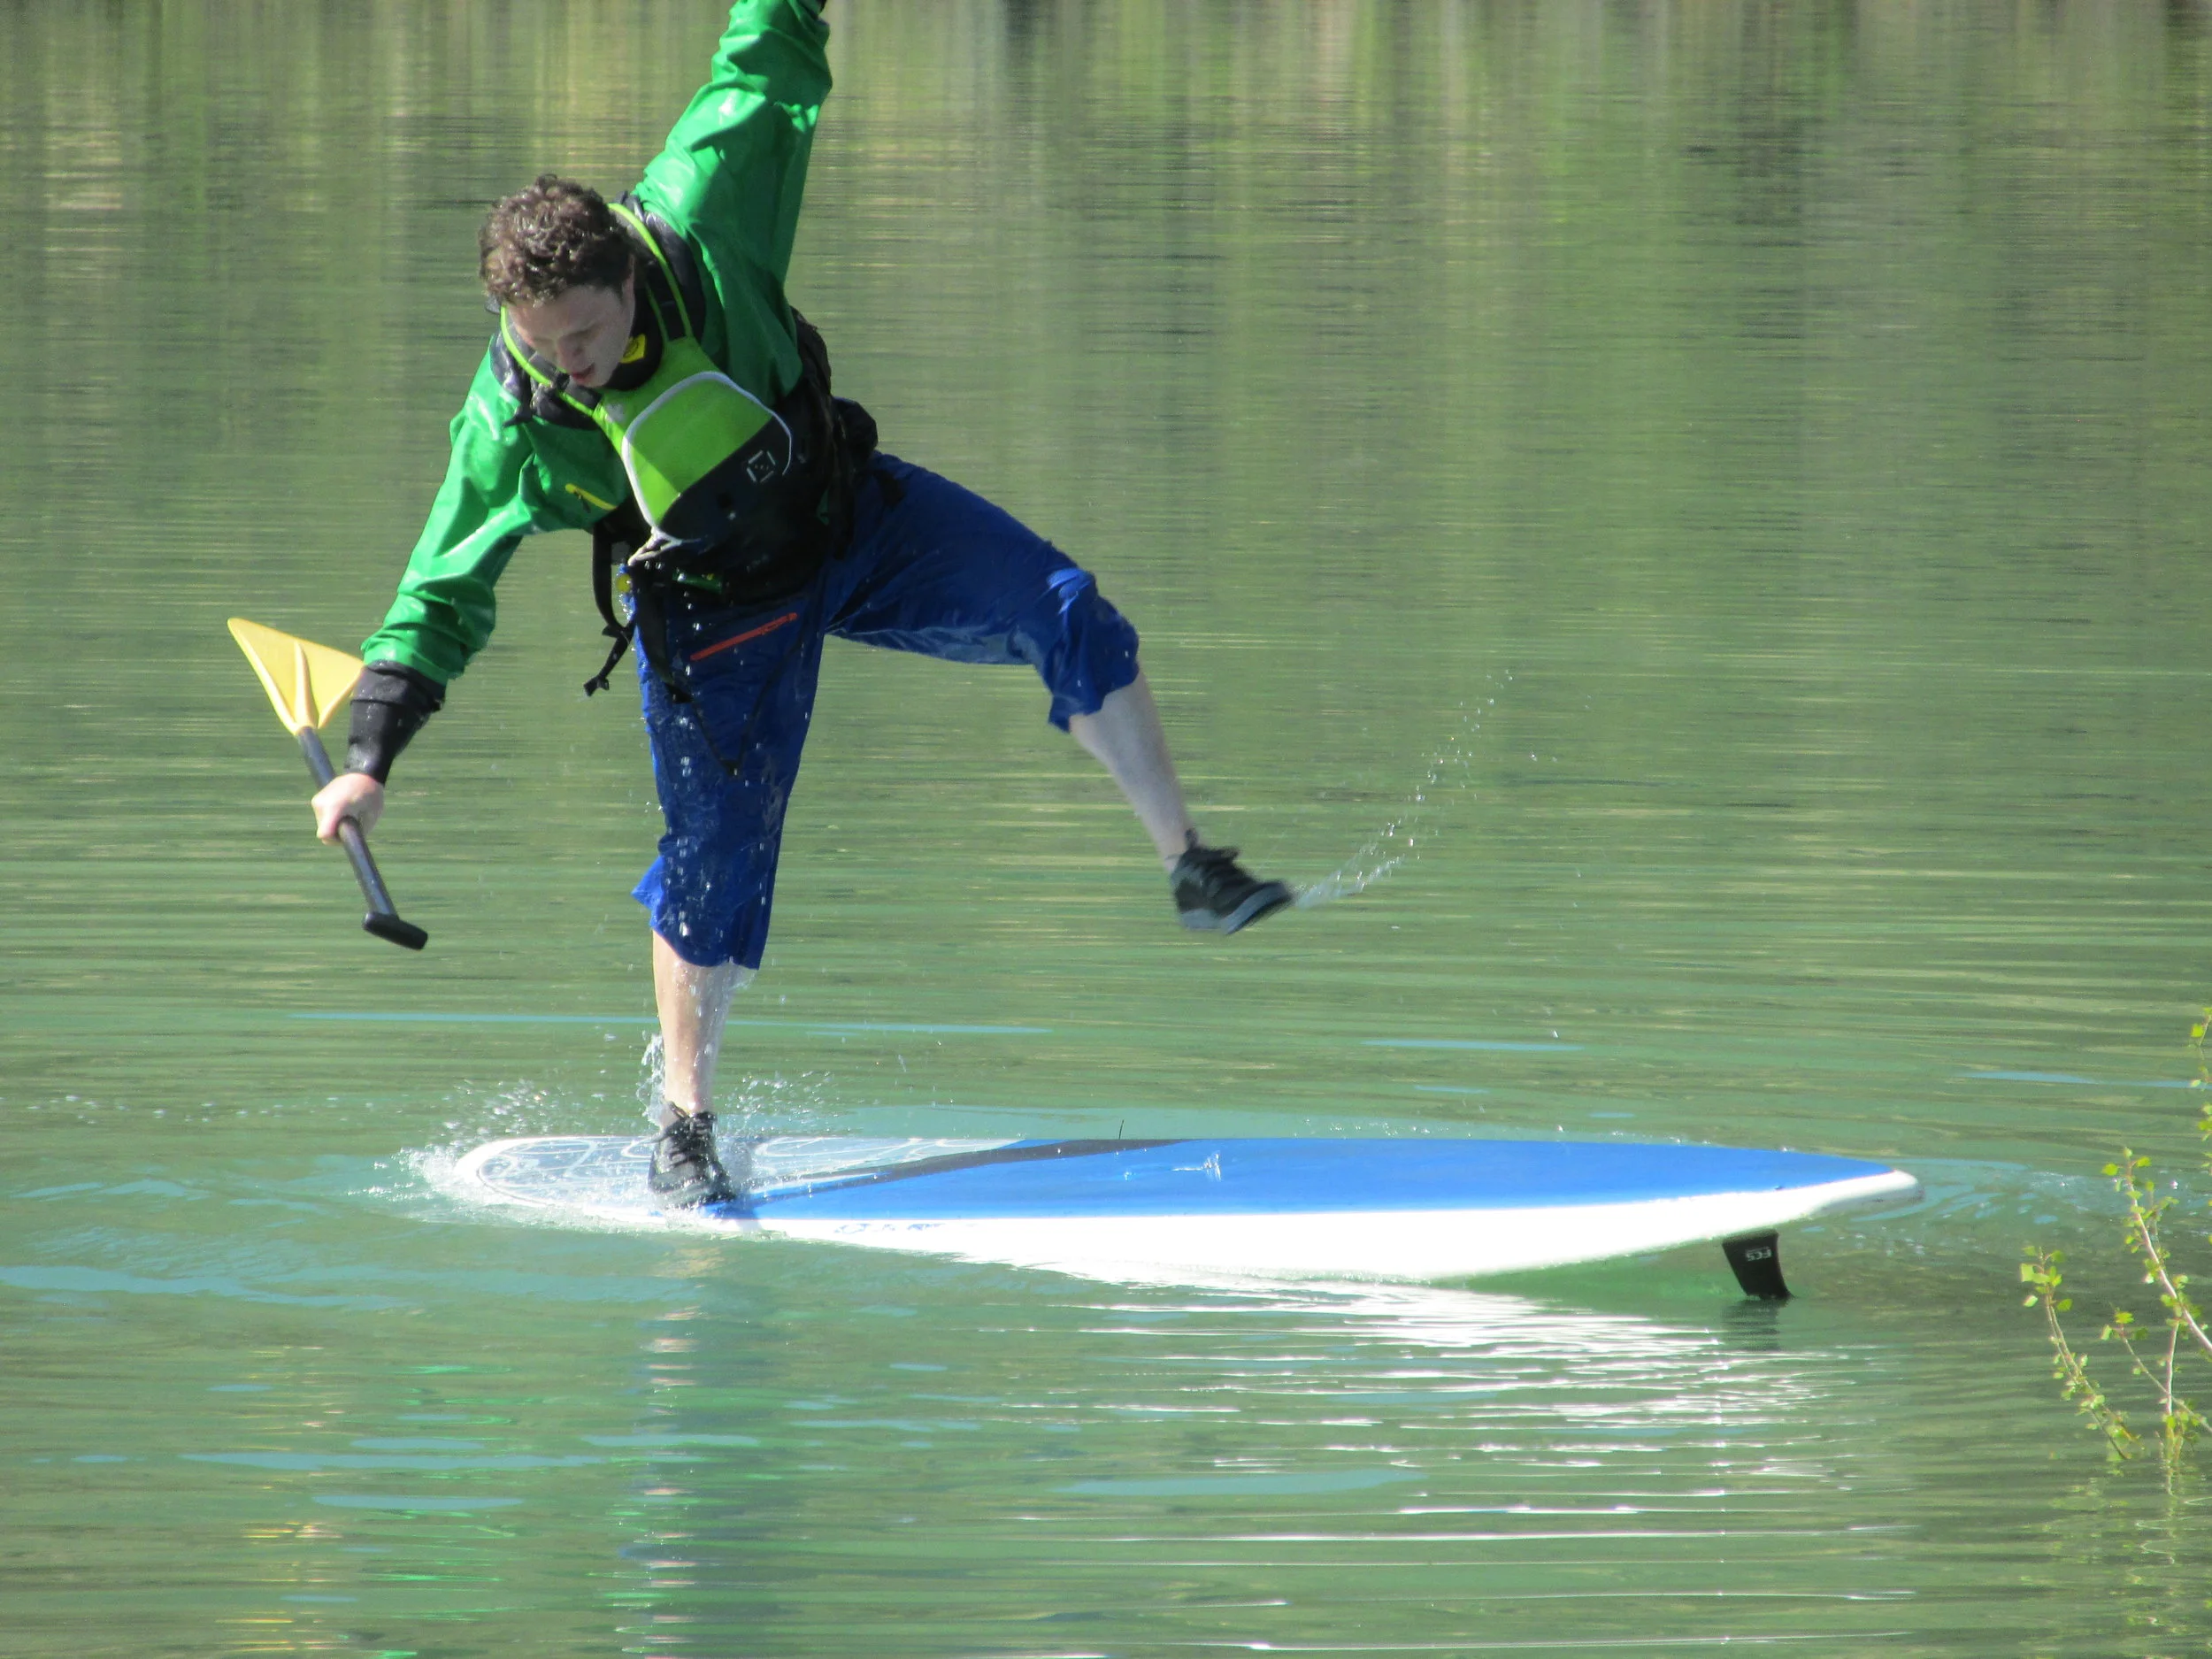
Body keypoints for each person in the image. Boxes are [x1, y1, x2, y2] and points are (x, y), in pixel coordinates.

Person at [310, 0, 1289, 1208]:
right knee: (713, 865)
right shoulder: (508, 423)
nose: (567, 361)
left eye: (587, 332)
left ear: (629, 268)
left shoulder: (705, 205)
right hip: (712, 614)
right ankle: (686, 1125)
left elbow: (765, 47)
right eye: (538, 341)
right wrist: (369, 758)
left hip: (851, 518)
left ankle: (1191, 865)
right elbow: (438, 591)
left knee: (1072, 610)